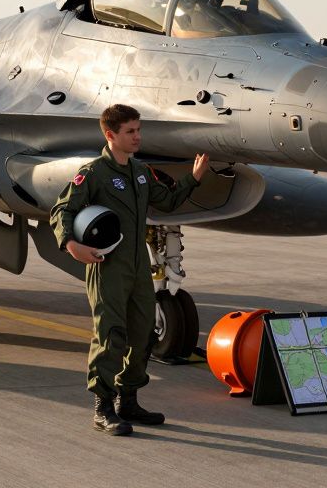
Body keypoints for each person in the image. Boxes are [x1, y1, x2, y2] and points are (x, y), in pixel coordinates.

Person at [50, 104, 208, 435]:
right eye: (130, 132)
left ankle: (129, 401)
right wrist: (70, 244)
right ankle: (103, 408)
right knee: (111, 335)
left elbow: (166, 201)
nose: (137, 137)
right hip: (107, 266)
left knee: (143, 333)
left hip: (138, 269)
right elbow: (63, 208)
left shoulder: (140, 171)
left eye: (138, 130)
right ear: (111, 135)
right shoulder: (93, 174)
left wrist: (192, 180)